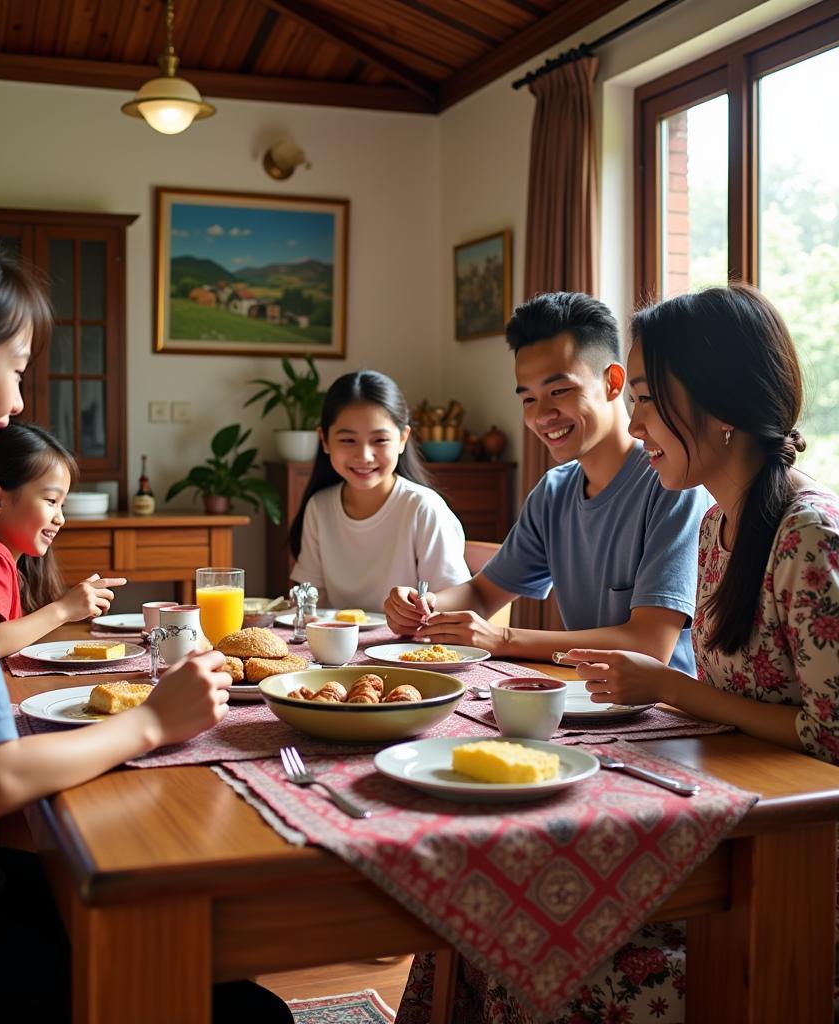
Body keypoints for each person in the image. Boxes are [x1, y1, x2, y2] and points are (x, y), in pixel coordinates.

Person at [0, 228, 292, 1024]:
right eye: (17, 372)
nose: (19, 405)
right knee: (250, 1008)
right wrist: (151, 722)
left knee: (153, 918)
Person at [397, 283, 839, 1024]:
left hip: (795, 861)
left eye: (645, 397)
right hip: (730, 814)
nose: (633, 421)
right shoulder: (718, 531)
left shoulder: (808, 537)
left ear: (720, 407)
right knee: (483, 900)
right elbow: (484, 590)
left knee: (529, 944)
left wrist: (667, 686)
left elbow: (830, 736)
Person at [385, 292, 711, 672]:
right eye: (528, 399)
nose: (542, 416)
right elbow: (481, 593)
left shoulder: (672, 485)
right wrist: (422, 605)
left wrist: (503, 639)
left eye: (559, 391)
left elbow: (649, 644)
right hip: (583, 700)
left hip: (664, 716)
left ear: (613, 382)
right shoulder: (555, 491)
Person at [289, 369, 470, 611]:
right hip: (337, 647)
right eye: (348, 440)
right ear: (324, 440)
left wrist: (420, 608)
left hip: (407, 646)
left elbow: (457, 600)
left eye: (380, 440)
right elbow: (311, 600)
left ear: (403, 438)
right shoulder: (319, 507)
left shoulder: (422, 508)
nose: (364, 456)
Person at [0, 422, 126, 659]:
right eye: (51, 501)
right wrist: (63, 609)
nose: (60, 518)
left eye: (62, 505)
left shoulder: (2, 560)